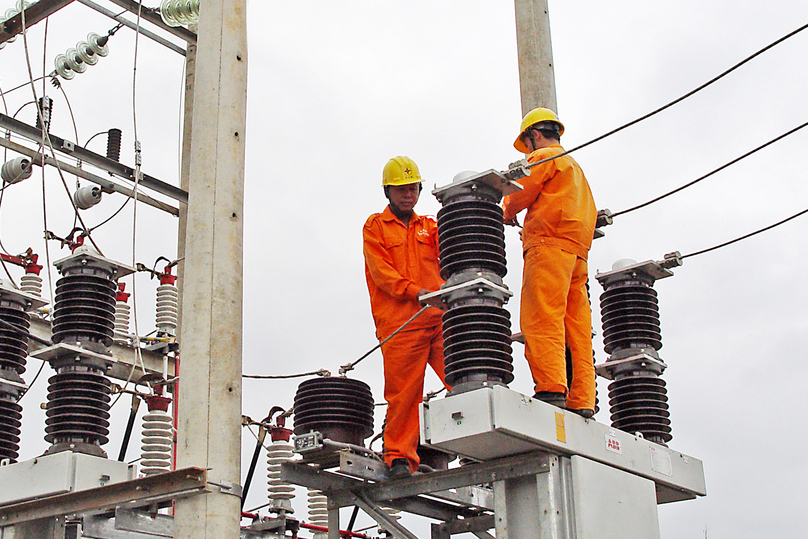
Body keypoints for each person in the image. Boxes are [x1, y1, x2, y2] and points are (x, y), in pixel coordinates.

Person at [502, 107, 597, 417]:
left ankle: (552, 388)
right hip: (577, 254)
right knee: (577, 328)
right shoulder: (576, 169)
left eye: (528, 143)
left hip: (549, 246)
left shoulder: (543, 158)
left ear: (535, 136)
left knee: (542, 317)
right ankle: (582, 399)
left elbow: (519, 192)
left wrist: (506, 208)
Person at [362, 156, 448, 477]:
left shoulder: (431, 226)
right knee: (404, 393)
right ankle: (399, 456)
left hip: (438, 319)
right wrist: (416, 292)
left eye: (412, 188)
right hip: (401, 323)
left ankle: (477, 442)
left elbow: (453, 255)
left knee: (463, 380)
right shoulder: (375, 227)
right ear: (388, 192)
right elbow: (382, 273)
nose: (407, 195)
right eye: (401, 189)